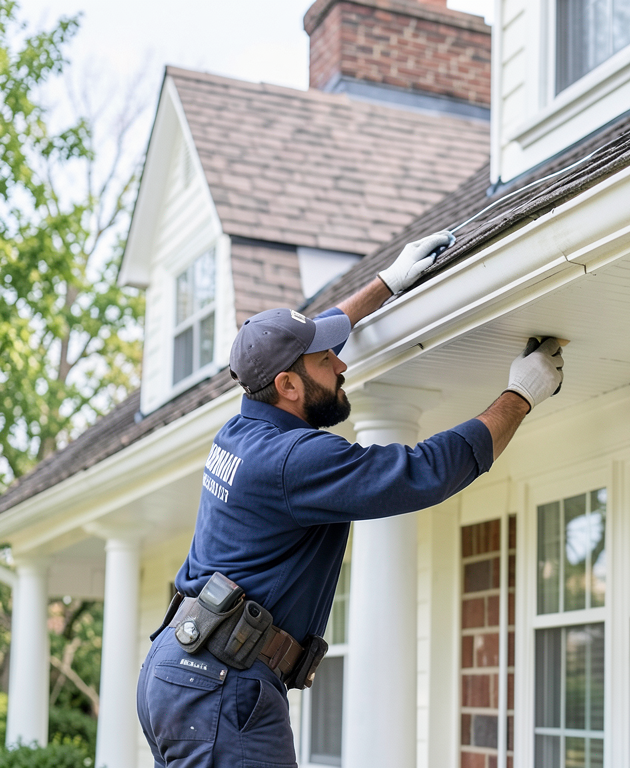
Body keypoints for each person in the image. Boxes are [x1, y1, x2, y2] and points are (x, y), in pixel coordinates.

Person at [136, 231, 564, 767]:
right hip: (220, 687)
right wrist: (520, 396)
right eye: (326, 360)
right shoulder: (294, 461)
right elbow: (423, 472)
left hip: (179, 671)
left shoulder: (240, 429)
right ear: (289, 385)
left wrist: (388, 282)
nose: (341, 366)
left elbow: (317, 337)